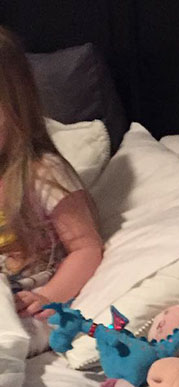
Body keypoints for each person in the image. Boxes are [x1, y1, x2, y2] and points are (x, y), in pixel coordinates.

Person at [0, 25, 102, 334]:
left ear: (18, 109)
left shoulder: (43, 174)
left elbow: (86, 249)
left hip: (26, 311)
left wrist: (48, 297)